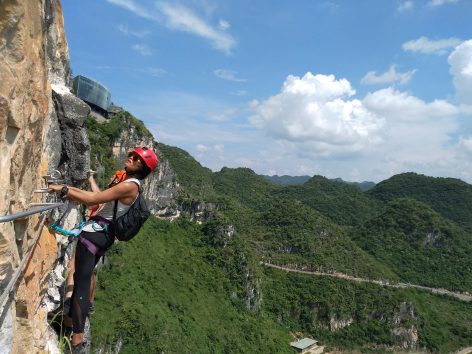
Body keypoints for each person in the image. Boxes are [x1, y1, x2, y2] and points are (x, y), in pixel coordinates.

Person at [49, 147, 158, 348]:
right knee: (84, 277)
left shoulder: (129, 186)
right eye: (132, 155)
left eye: (137, 159)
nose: (131, 158)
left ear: (142, 168)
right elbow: (94, 196)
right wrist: (67, 187)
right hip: (102, 236)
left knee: (80, 282)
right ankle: (67, 321)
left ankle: (77, 338)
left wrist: (63, 190)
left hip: (93, 235)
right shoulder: (131, 185)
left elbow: (92, 200)